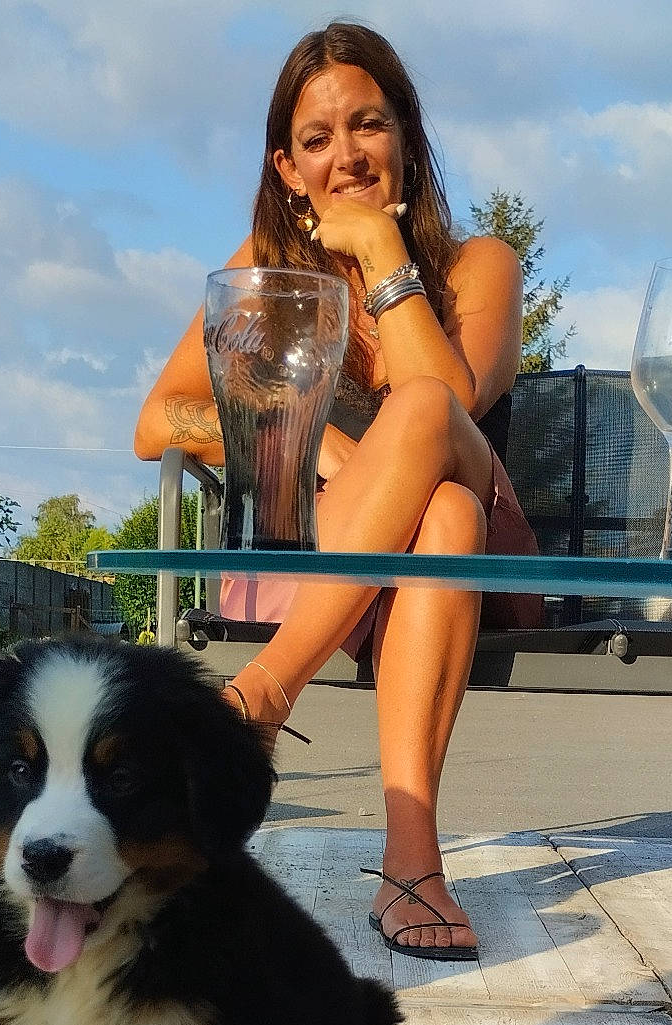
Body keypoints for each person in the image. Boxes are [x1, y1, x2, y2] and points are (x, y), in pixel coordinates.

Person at [134, 21, 542, 960]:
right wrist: (312, 439)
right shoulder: (268, 277)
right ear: (287, 166)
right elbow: (159, 420)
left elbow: (450, 397)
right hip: (331, 551)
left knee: (434, 437)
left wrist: (383, 253)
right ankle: (412, 864)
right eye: (317, 139)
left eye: (368, 124)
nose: (346, 155)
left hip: (482, 563)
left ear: (406, 136)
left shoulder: (480, 266)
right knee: (436, 512)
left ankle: (260, 699)